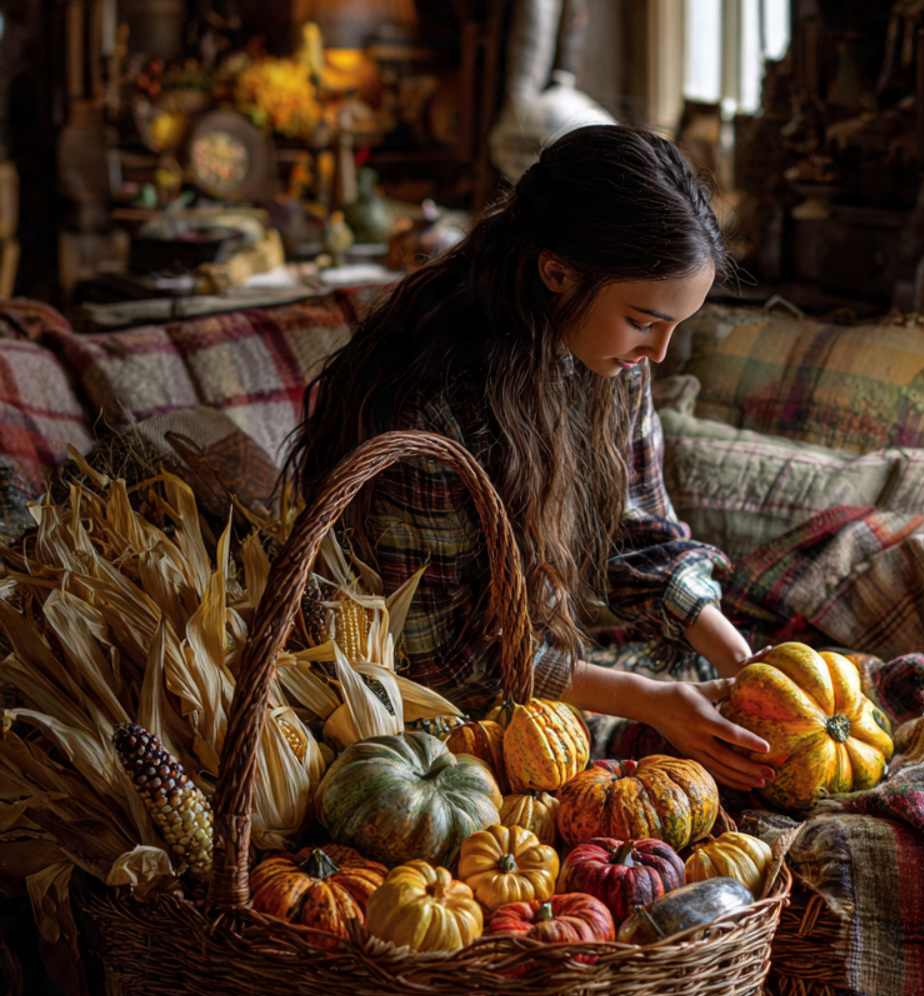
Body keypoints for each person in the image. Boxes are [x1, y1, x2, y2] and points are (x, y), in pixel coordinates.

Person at [284, 124, 773, 792]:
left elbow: (637, 529)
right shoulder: (429, 408)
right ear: (556, 271)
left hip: (540, 648)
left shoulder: (612, 360)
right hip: (421, 706)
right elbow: (443, 663)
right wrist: (647, 700)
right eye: (643, 321)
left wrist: (729, 646)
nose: (658, 353)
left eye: (675, 326)